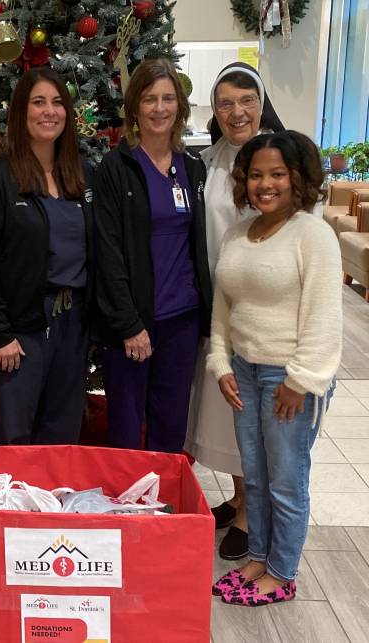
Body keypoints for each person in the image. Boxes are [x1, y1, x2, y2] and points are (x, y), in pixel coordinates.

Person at [209, 131, 340, 606]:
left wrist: (300, 381)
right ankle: (258, 558)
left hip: (289, 379)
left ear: (298, 178)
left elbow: (325, 319)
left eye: (278, 174)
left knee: (286, 480)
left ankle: (282, 573)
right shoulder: (239, 232)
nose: (266, 184)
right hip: (243, 372)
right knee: (256, 476)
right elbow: (223, 307)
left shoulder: (313, 234)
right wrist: (220, 361)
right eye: (257, 174)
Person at [184, 62, 285, 560]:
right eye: (225, 102)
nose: (236, 111)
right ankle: (240, 495)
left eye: (246, 100)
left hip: (259, 312)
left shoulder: (277, 156)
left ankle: (250, 513)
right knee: (222, 414)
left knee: (250, 415)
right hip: (215, 308)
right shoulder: (210, 159)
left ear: (261, 103)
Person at [0, 67, 94, 445]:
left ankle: (51, 504)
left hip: (73, 327)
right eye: (38, 102)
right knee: (15, 441)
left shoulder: (81, 175)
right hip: (20, 331)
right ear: (22, 112)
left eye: (57, 103)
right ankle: (16, 508)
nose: (49, 111)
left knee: (63, 434)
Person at [93, 58, 212, 453]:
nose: (159, 108)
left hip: (181, 320)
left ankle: (162, 510)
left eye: (167, 98)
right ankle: (127, 512)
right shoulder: (115, 168)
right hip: (132, 323)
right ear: (134, 108)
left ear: (179, 104)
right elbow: (106, 250)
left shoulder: (192, 168)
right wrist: (129, 324)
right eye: (149, 99)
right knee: (127, 429)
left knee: (171, 425)